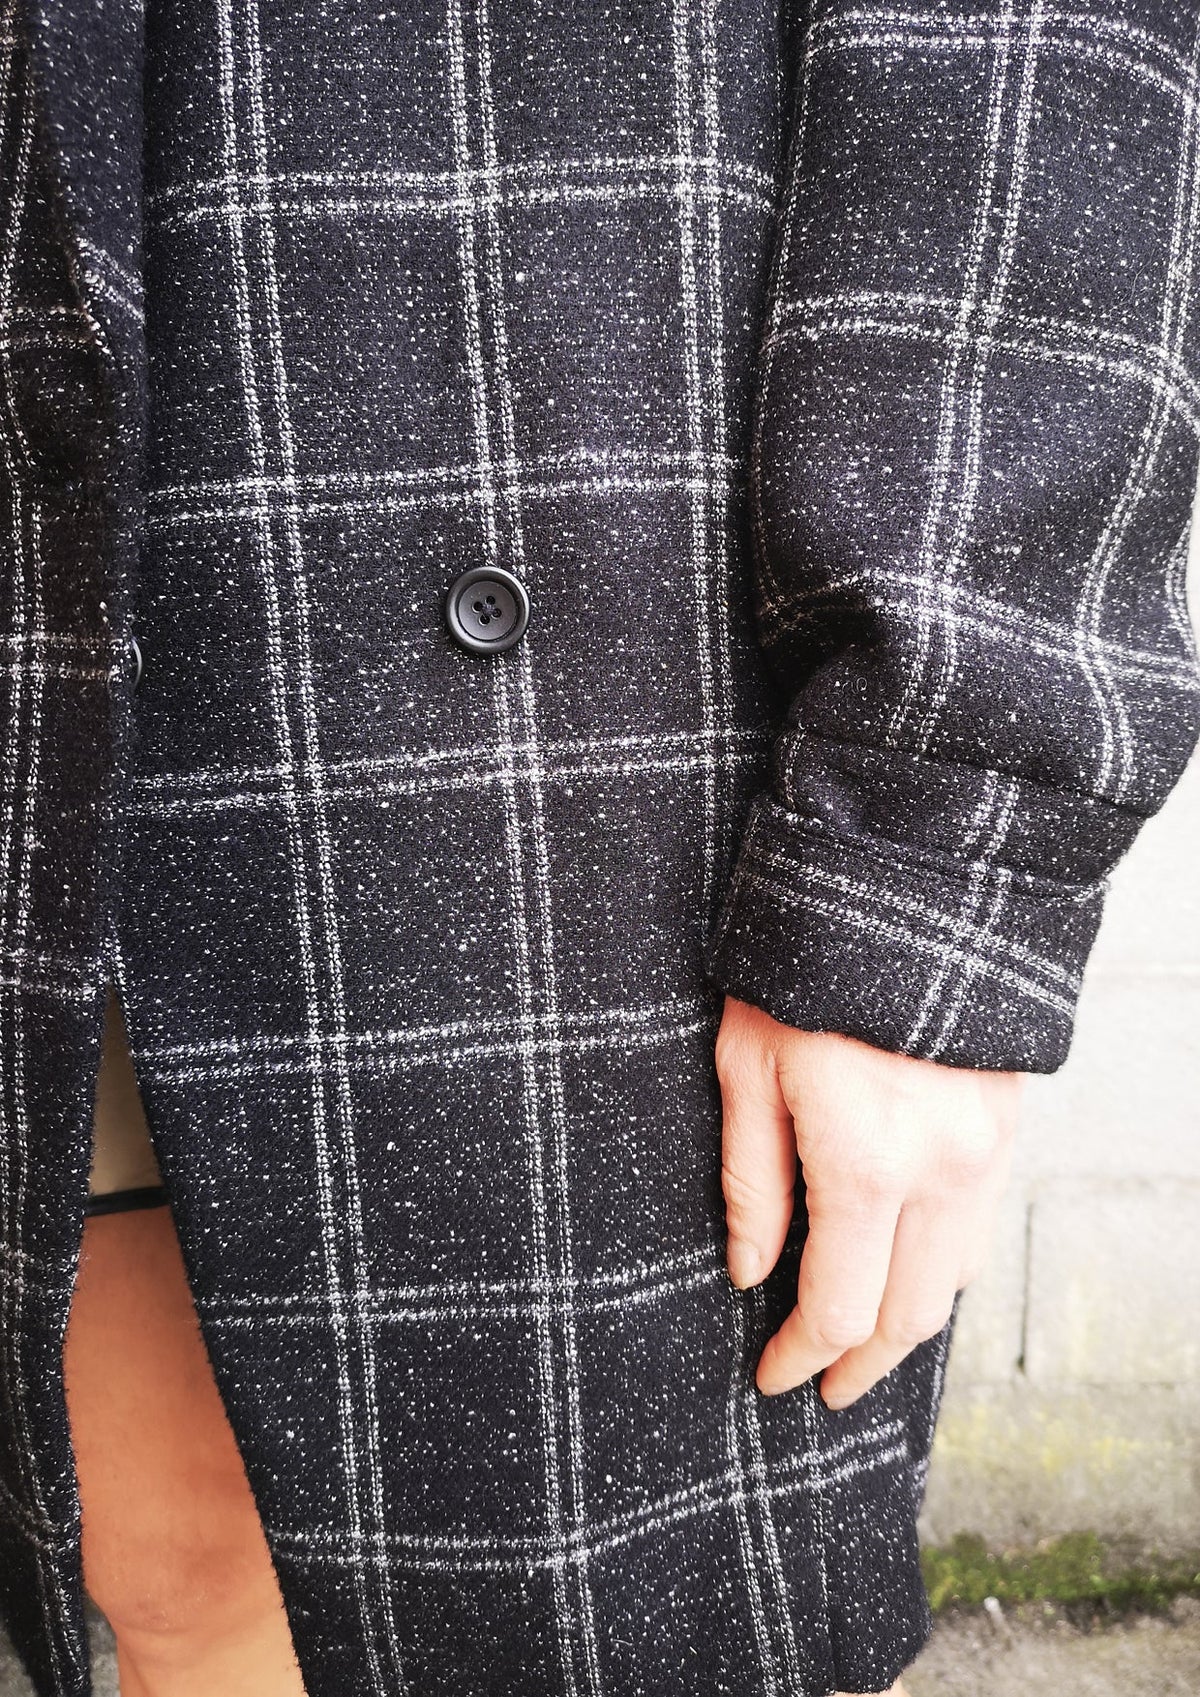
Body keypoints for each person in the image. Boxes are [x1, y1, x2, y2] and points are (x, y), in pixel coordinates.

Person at [4, 2, 1199, 1695]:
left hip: (579, 651)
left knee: (620, 1626)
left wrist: (925, 851)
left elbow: (1034, 61)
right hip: (75, 573)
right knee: (178, 1572)